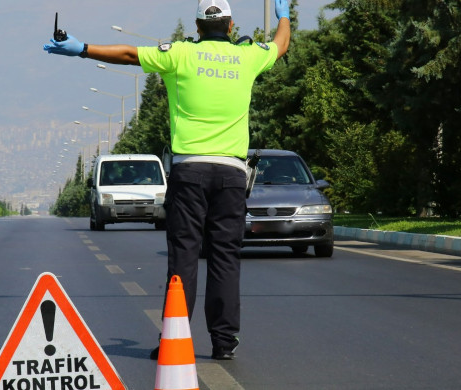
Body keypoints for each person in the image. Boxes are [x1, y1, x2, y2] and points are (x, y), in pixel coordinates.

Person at [44, 0, 290, 360]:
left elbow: (128, 54)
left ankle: (176, 337)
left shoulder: (179, 54)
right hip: (232, 175)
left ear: (198, 26)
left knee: (184, 257)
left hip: (189, 172)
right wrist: (283, 16)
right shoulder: (249, 56)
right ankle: (223, 343)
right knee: (225, 258)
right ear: (232, 25)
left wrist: (82, 49)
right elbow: (281, 44)